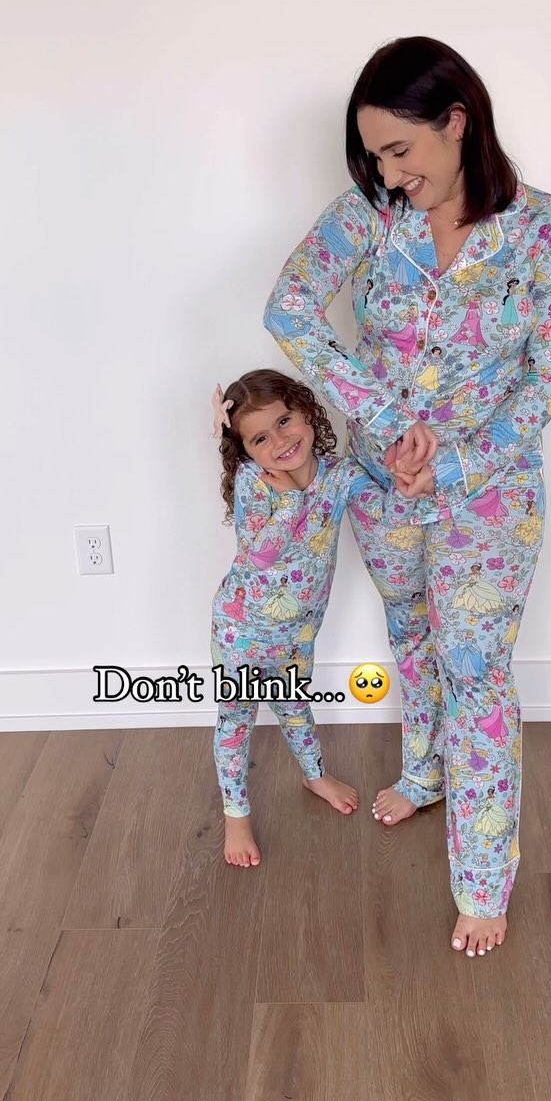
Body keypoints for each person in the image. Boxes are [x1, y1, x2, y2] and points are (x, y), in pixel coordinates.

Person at [264, 36, 551, 956]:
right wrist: (377, 415)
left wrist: (450, 465)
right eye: (374, 155)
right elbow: (289, 307)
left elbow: (549, 380)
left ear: (457, 121)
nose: (387, 172)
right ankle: (425, 771)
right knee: (411, 631)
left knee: (475, 668)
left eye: (399, 149)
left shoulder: (548, 233)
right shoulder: (367, 217)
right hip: (381, 484)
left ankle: (483, 883)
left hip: (488, 495)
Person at [210, 368, 411, 868]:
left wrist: (405, 485)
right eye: (260, 438)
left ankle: (314, 773)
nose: (279, 441)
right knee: (236, 719)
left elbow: (383, 512)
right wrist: (291, 500)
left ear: (305, 410)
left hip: (299, 632)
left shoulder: (339, 476)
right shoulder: (256, 483)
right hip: (241, 630)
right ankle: (236, 816)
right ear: (246, 451)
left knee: (295, 705)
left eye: (284, 421)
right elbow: (260, 553)